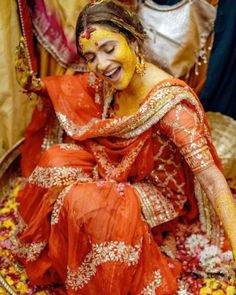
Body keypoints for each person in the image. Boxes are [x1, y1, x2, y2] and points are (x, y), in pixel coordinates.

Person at [13, 0, 236, 294]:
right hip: (113, 167)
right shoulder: (111, 76)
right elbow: (79, 86)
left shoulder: (171, 107)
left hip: (156, 190)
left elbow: (211, 179)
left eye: (109, 49)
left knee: (82, 203)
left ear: (133, 38)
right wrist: (36, 86)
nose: (102, 65)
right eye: (91, 56)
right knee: (55, 159)